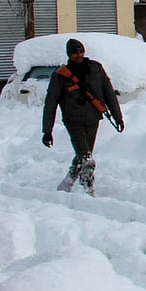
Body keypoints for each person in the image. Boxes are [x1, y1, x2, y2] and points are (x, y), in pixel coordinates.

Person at [42, 38, 125, 196]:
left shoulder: (95, 69)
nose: (79, 55)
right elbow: (50, 104)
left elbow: (109, 92)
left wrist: (117, 116)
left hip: (93, 118)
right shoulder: (60, 76)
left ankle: (66, 184)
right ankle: (88, 188)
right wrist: (47, 131)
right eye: (75, 52)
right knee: (86, 157)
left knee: (83, 155)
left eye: (81, 51)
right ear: (69, 54)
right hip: (73, 121)